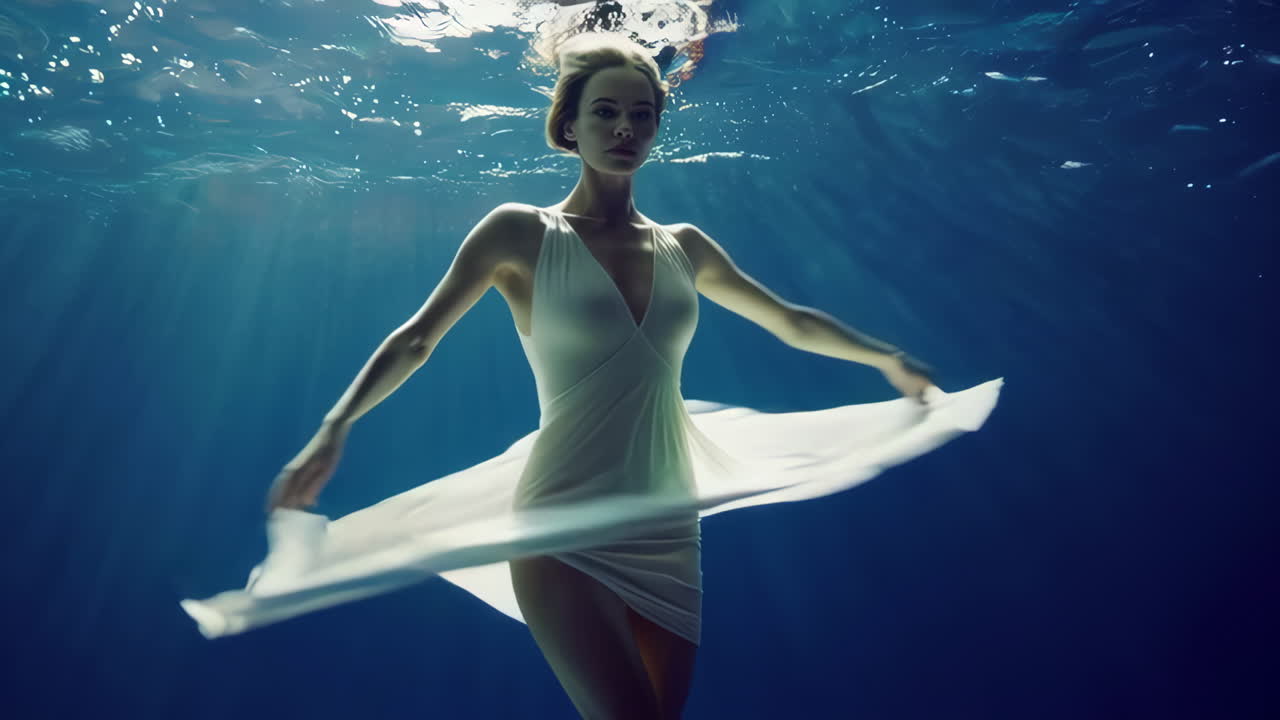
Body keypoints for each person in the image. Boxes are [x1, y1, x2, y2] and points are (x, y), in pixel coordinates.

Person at [186, 31, 1001, 720]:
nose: (626, 128)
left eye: (642, 115)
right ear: (567, 125)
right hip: (562, 522)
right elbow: (415, 339)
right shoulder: (518, 232)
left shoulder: (687, 245)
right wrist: (335, 427)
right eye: (605, 112)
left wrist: (885, 358)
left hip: (667, 526)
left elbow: (788, 320)